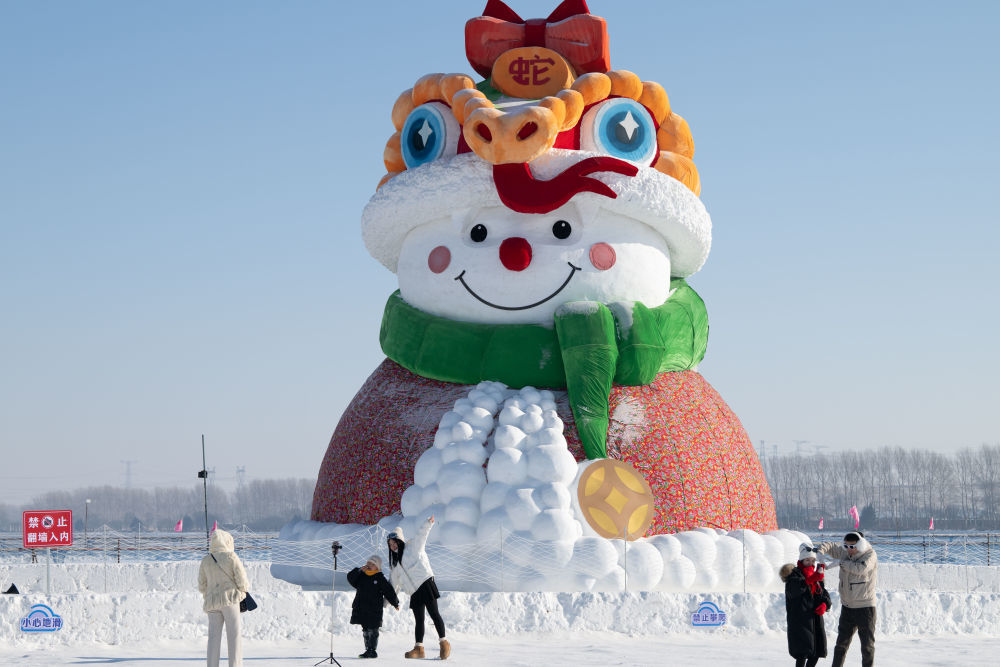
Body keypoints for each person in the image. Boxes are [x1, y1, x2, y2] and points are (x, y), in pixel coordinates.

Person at [387, 515, 450, 660]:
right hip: (414, 592)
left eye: (394, 542)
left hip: (425, 583)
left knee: (434, 614)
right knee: (419, 620)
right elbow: (393, 586)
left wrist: (428, 523)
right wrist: (392, 601)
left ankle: (444, 643)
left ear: (399, 540)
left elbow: (421, 535)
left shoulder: (412, 548)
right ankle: (419, 648)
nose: (393, 546)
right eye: (390, 544)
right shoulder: (395, 566)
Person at [816, 531, 878, 667]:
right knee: (840, 646)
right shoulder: (844, 552)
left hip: (865, 608)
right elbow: (831, 546)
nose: (849, 549)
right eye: (846, 546)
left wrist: (841, 563)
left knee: (867, 648)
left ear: (860, 545)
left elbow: (861, 568)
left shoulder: (870, 554)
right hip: (847, 608)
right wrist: (820, 552)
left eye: (852, 546)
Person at [197, 528, 249, 667]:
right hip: (230, 600)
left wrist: (210, 595)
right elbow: (243, 581)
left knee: (213, 638)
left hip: (212, 603)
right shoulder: (231, 557)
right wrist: (242, 592)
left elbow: (202, 586)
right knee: (234, 637)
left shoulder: (206, 560)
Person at [781, 545, 832, 667]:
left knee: (816, 652)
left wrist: (825, 604)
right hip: (800, 619)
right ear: (801, 561)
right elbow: (793, 591)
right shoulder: (794, 575)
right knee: (802, 653)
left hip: (815, 619)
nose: (810, 563)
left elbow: (824, 593)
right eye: (807, 560)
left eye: (813, 560)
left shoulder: (817, 575)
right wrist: (810, 580)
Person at [347, 554, 400, 659]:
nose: (369, 565)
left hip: (374, 609)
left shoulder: (379, 578)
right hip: (362, 607)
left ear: (378, 567)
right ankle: (367, 649)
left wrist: (395, 603)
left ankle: (372, 650)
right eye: (368, 563)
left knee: (373, 629)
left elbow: (388, 590)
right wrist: (358, 570)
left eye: (372, 564)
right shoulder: (361, 575)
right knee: (365, 629)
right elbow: (350, 578)